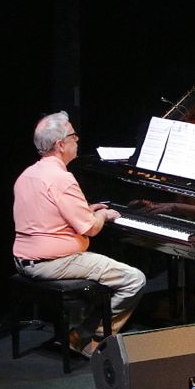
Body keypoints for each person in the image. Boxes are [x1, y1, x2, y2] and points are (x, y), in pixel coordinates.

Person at [12, 112, 145, 357]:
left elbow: (49, 216)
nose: (78, 139)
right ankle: (89, 338)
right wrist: (103, 215)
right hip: (52, 263)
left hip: (24, 260)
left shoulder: (27, 174)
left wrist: (86, 210)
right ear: (60, 145)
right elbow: (91, 228)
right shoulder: (62, 179)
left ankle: (79, 331)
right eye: (73, 136)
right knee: (133, 279)